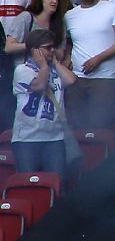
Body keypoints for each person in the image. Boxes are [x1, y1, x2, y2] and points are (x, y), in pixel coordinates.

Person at [66, 0, 115, 128]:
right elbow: (68, 42)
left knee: (100, 125)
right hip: (78, 77)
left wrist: (98, 59)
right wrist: (67, 59)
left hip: (105, 76)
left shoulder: (111, 8)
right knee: (77, 124)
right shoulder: (70, 15)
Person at [11, 28, 75, 177]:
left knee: (57, 182)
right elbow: (39, 85)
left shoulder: (56, 70)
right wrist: (44, 66)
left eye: (53, 47)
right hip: (27, 139)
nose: (52, 50)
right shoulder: (22, 70)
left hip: (55, 138)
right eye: (48, 47)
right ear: (35, 50)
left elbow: (71, 80)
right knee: (28, 182)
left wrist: (54, 62)